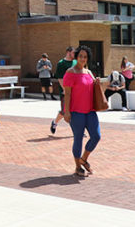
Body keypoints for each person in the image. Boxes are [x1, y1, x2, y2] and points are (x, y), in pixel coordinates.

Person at [63, 45, 102, 177]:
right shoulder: (70, 72)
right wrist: (66, 112)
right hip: (76, 112)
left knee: (96, 136)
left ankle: (84, 158)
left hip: (90, 111)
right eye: (80, 56)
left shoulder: (89, 72)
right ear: (76, 57)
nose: (83, 59)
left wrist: (97, 83)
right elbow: (67, 94)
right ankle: (78, 167)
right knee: (78, 138)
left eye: (85, 57)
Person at [50, 46, 76, 134]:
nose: (74, 55)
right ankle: (54, 122)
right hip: (65, 91)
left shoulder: (75, 62)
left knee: (75, 111)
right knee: (64, 112)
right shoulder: (61, 63)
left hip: (75, 91)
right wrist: (65, 90)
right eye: (73, 53)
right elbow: (60, 78)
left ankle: (77, 130)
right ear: (68, 52)